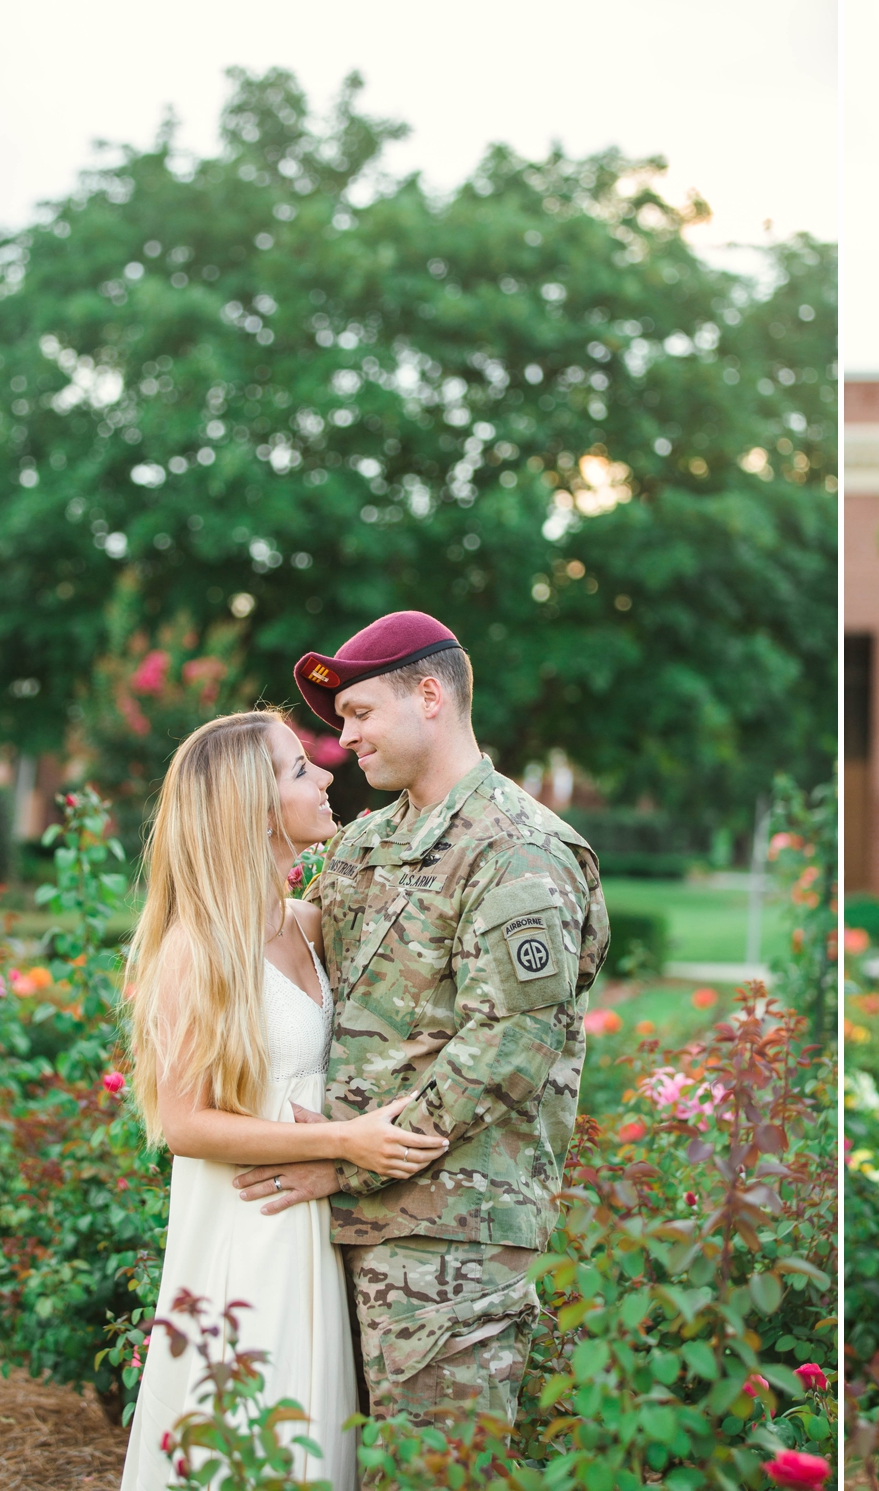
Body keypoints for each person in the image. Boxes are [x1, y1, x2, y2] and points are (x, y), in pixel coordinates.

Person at [230, 611, 610, 1437]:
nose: (346, 740)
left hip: (452, 1241)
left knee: (431, 1469)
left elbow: (508, 1050)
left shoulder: (518, 852)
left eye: (360, 714)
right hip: (344, 1226)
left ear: (429, 695)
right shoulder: (367, 844)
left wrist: (344, 1160)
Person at [120, 710, 450, 1490]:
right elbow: (181, 1121)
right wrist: (342, 1142)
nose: (328, 775)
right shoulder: (197, 949)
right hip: (247, 1233)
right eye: (301, 768)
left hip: (313, 1223)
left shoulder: (307, 924)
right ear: (250, 806)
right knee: (252, 1437)